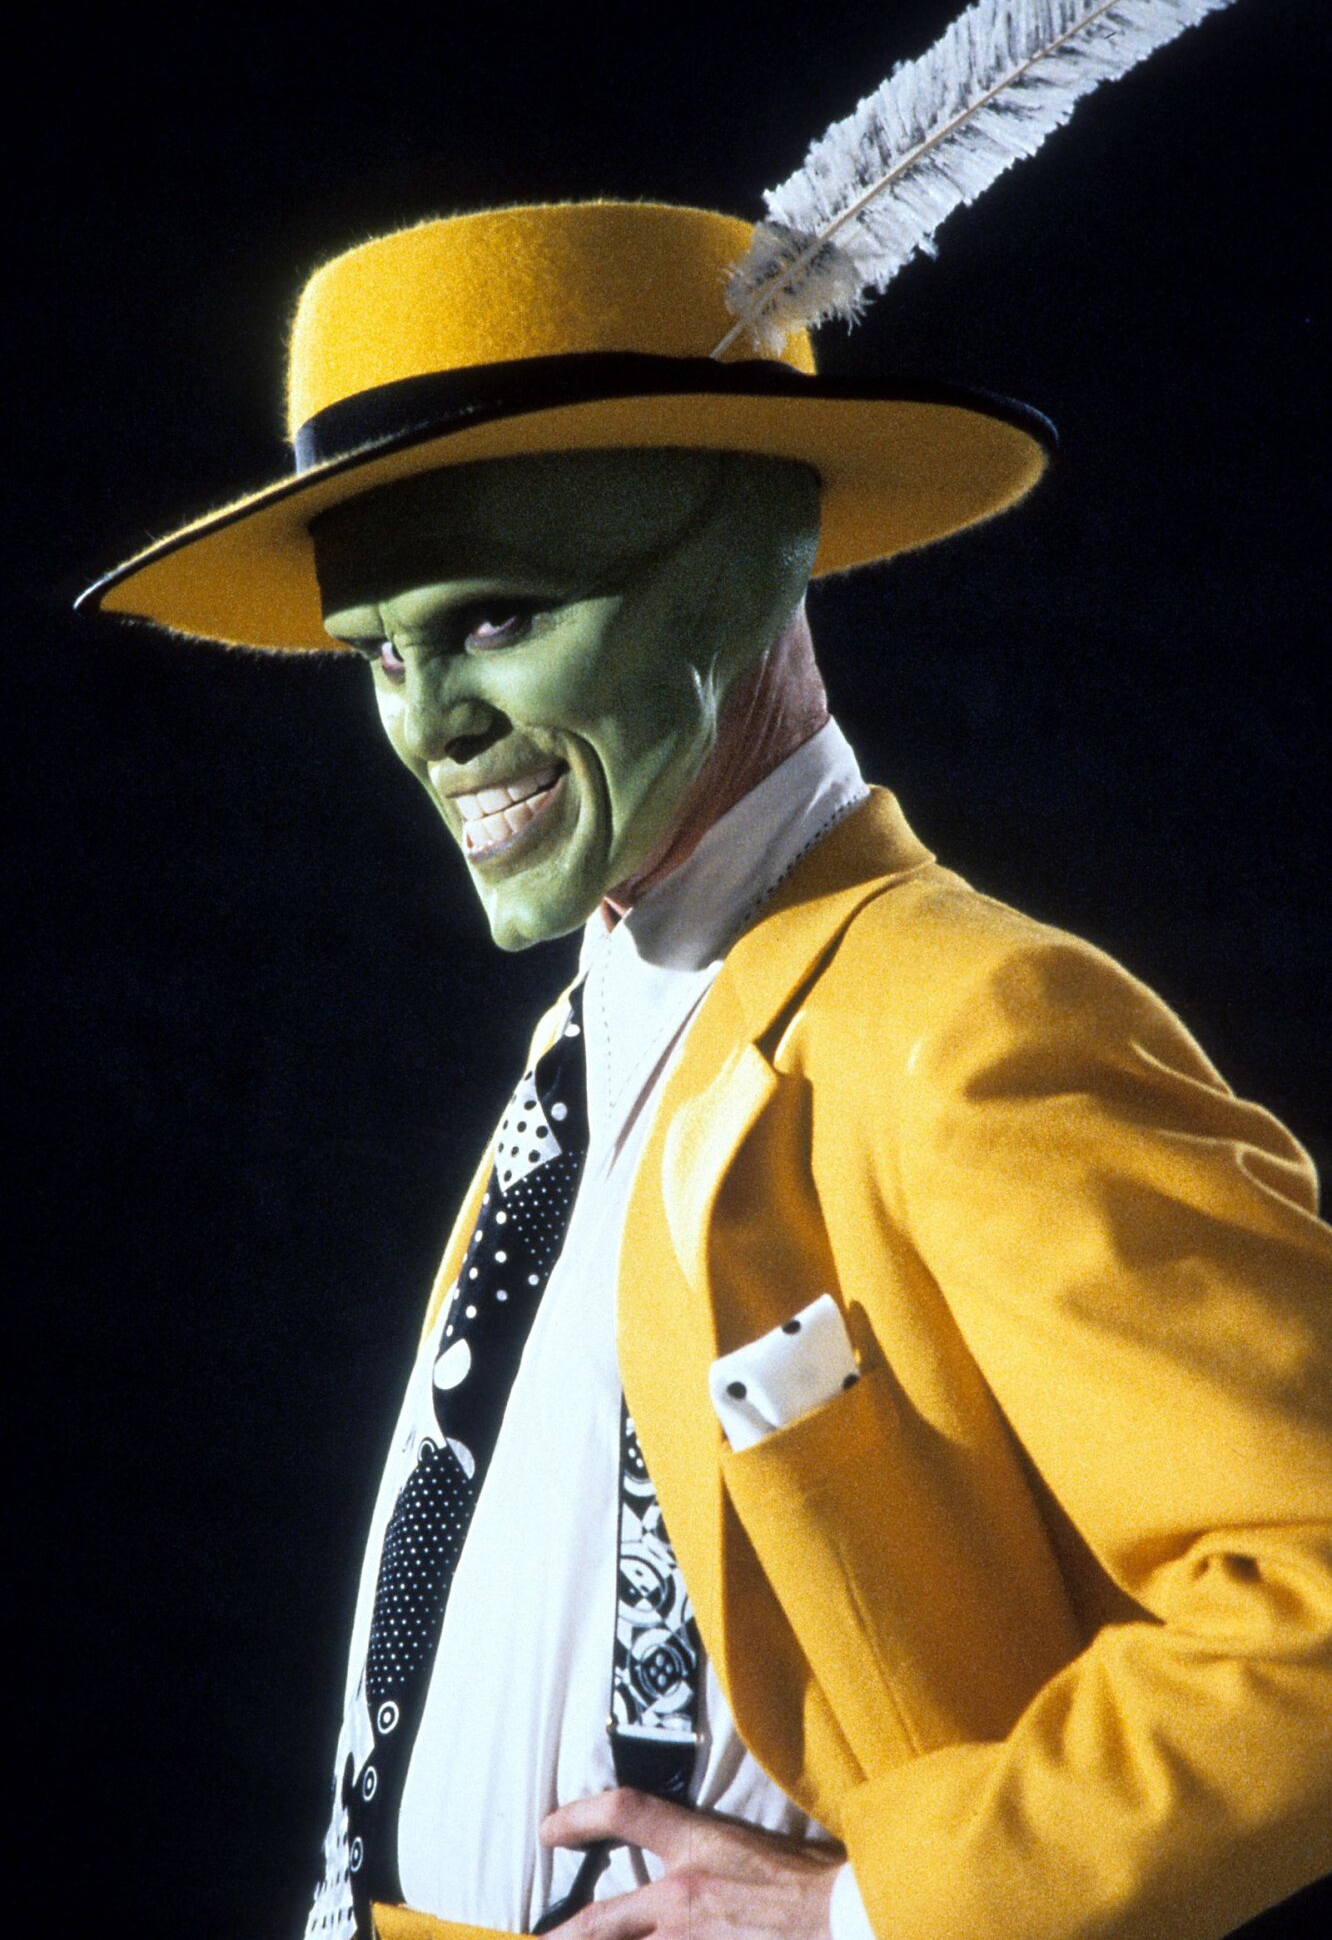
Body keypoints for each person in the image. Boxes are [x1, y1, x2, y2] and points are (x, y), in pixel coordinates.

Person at [80, 201, 1332, 1940]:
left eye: (495, 621)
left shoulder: (973, 1022)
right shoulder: (603, 1030)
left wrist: (868, 1914)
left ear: (751, 560)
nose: (426, 724)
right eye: (379, 656)